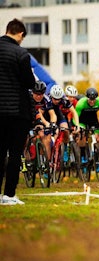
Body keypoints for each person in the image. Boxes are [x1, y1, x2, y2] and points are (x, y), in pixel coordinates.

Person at [0, 19, 36, 205]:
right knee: (14, 153)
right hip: (16, 111)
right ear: (20, 34)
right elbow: (30, 82)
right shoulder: (21, 53)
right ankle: (9, 195)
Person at [76, 87, 99, 167]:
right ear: (86, 98)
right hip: (82, 121)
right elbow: (76, 117)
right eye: (90, 100)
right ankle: (83, 154)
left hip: (93, 120)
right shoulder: (81, 103)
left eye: (94, 99)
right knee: (82, 135)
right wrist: (77, 126)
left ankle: (97, 156)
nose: (92, 101)